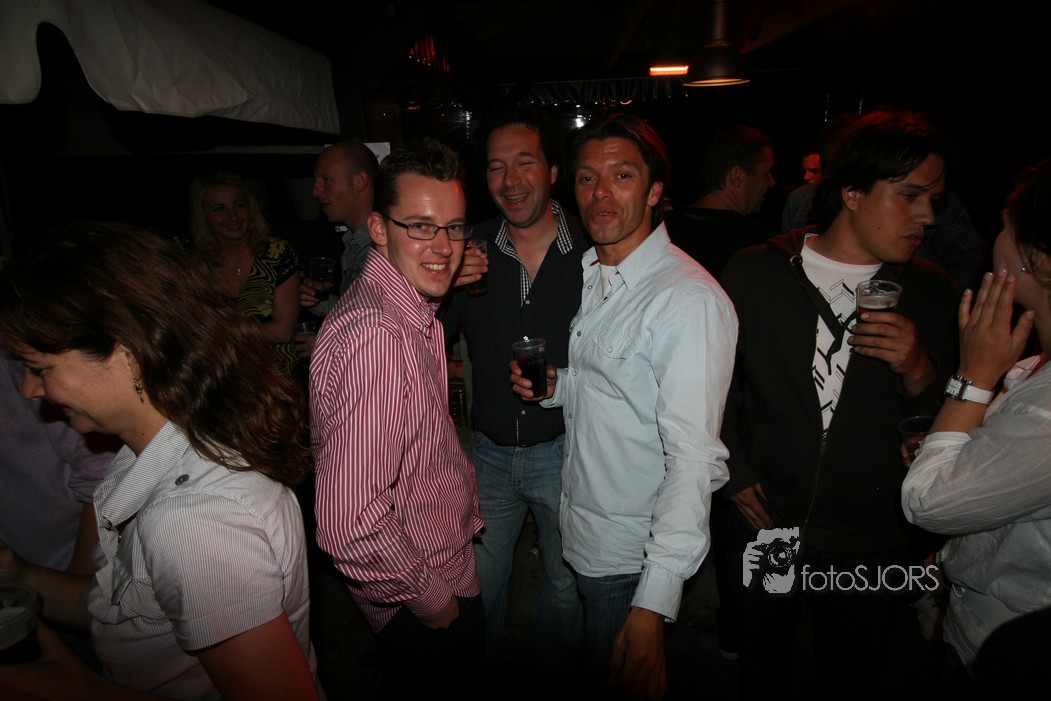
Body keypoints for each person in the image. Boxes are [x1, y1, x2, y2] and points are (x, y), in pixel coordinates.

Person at [0, 222, 319, 700]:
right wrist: (21, 576)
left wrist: (80, 690)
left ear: (127, 354)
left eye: (41, 369)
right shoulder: (153, 450)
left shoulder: (196, 520)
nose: (30, 390)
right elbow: (132, 613)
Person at [719, 107, 961, 700]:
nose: (927, 217)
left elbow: (949, 421)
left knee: (854, 673)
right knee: (764, 663)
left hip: (874, 534)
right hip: (770, 520)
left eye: (933, 200)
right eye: (909, 196)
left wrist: (918, 367)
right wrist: (734, 469)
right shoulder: (757, 271)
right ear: (852, 192)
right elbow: (712, 386)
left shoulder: (930, 288)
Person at [511, 114, 739, 699]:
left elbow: (694, 460)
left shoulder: (686, 300)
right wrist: (559, 385)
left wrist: (653, 602)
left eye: (622, 175)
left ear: (655, 190)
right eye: (588, 178)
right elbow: (619, 388)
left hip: (630, 560)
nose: (601, 194)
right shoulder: (599, 271)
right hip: (585, 531)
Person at [309, 138, 484, 697]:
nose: (444, 247)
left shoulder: (409, 312)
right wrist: (431, 600)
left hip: (433, 563)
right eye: (421, 226)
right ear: (379, 230)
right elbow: (348, 523)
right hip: (423, 591)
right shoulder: (380, 339)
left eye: (453, 227)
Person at [439, 101, 586, 682]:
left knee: (567, 586)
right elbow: (423, 339)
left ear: (553, 171)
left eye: (524, 162)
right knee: (477, 588)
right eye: (496, 167)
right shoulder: (467, 247)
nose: (510, 180)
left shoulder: (593, 248)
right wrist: (443, 287)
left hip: (570, 452)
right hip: (491, 454)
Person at [901, 157, 1051, 689]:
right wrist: (951, 445)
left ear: (1037, 259)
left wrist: (974, 376)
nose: (994, 241)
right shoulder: (1034, 366)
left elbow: (929, 503)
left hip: (1016, 648)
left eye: (1005, 228)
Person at [0, 348, 116, 575]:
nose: (28, 390)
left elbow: (106, 471)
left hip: (73, 567)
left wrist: (79, 582)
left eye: (38, 371)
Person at [188, 170, 301, 376]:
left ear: (251, 208)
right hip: (218, 375)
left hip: (275, 374)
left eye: (239, 205)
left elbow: (283, 331)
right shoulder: (196, 263)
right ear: (203, 215)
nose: (233, 217)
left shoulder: (276, 253)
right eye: (219, 209)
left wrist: (219, 332)